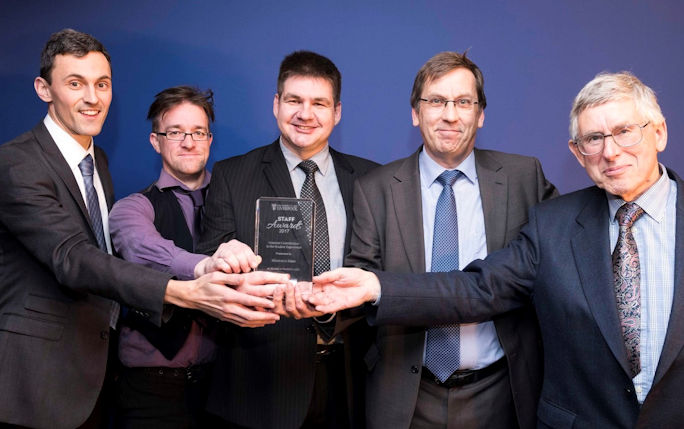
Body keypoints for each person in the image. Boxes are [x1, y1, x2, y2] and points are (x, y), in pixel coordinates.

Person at [311, 71, 683, 428]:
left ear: (660, 132)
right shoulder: (556, 225)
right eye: (594, 139)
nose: (611, 152)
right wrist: (376, 287)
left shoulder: (525, 180)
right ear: (577, 152)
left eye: (625, 132)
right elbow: (477, 288)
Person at [0, 29, 287, 429]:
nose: (92, 97)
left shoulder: (96, 160)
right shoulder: (17, 163)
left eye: (102, 84)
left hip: (125, 373)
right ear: (43, 89)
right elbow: (74, 257)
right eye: (75, 83)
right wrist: (191, 283)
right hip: (41, 377)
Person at [343, 51, 557, 429]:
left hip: (499, 392)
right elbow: (360, 285)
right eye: (436, 101)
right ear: (415, 113)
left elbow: (560, 252)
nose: (450, 115)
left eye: (463, 102)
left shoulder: (524, 177)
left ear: (481, 114)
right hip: (406, 394)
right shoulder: (375, 188)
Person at [197, 50, 378, 428]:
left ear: (337, 112)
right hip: (260, 384)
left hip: (350, 383)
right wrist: (232, 266)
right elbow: (209, 275)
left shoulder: (370, 179)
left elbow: (381, 272)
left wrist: (330, 306)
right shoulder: (232, 175)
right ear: (276, 104)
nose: (305, 114)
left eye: (319, 103)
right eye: (294, 100)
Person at [109, 86, 276, 428]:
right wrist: (206, 265)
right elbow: (142, 249)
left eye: (198, 132)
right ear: (156, 141)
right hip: (152, 389)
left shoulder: (244, 205)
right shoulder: (133, 208)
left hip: (226, 387)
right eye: (175, 132)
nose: (189, 141)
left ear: (210, 139)